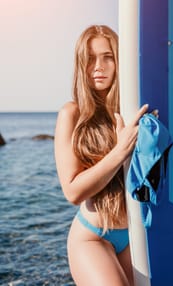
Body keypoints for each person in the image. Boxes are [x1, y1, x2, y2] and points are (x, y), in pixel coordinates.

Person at [54, 25, 149, 286]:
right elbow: (73, 192)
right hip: (92, 236)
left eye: (108, 57)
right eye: (91, 59)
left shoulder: (131, 111)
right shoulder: (71, 114)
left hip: (135, 234)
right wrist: (120, 150)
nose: (99, 66)